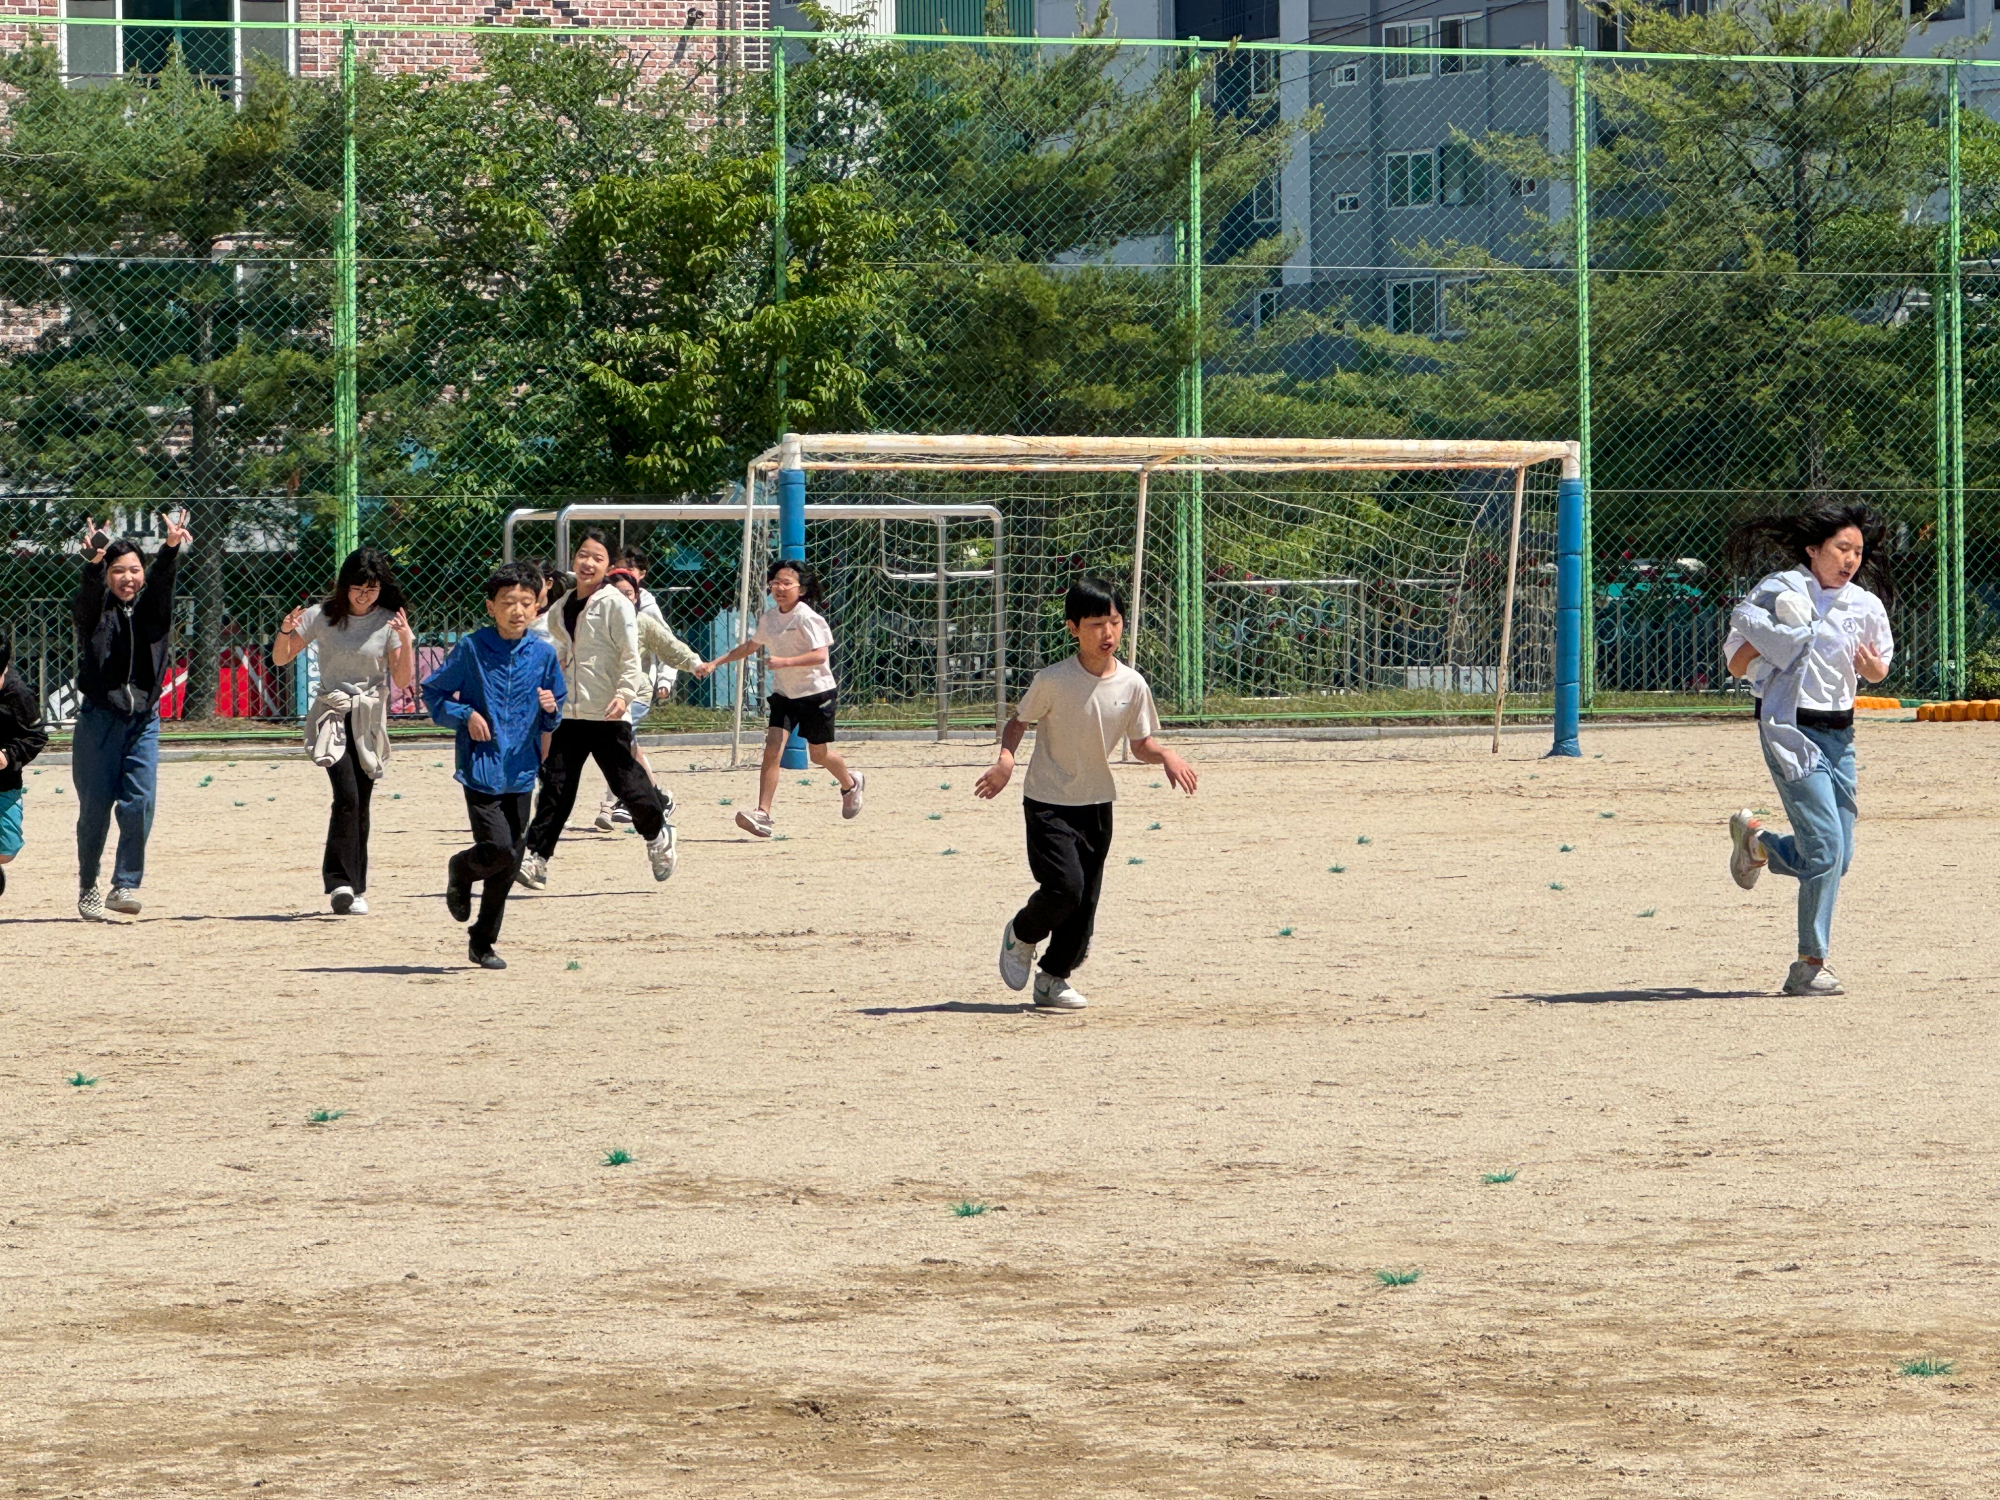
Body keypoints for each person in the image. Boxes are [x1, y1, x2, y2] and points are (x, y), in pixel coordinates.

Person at [974, 576, 1197, 1014]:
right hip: (1048, 801)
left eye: (1114, 622)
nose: (1108, 633)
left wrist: (1167, 754)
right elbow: (1019, 722)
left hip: (1097, 804)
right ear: (1073, 627)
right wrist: (1005, 760)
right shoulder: (1053, 680)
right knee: (1065, 889)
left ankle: (1053, 978)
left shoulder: (1132, 685)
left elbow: (1140, 744)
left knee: (1085, 905)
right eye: (1096, 624)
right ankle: (1021, 933)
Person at [1721, 500, 1894, 998]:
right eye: (1842, 548)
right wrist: (1780, 637)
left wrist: (1872, 667)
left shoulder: (1863, 604)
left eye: (1858, 551)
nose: (1851, 559)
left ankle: (1758, 844)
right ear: (1813, 548)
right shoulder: (1779, 591)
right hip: (1789, 730)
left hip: (1841, 737)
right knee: (1824, 849)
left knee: (1836, 858)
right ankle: (1809, 966)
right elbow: (1736, 663)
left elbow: (1879, 668)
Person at [421, 562, 566, 970]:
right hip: (481, 767)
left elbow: (555, 708)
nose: (517, 610)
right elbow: (433, 693)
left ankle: (482, 941)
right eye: (507, 602)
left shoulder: (543, 654)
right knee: (499, 848)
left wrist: (552, 711)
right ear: (491, 606)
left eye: (526, 602)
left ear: (538, 607)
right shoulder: (471, 648)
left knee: (511, 859)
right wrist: (464, 713)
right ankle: (460, 869)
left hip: (521, 770)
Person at [519, 530, 678, 887]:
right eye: (582, 555)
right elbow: (557, 654)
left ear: (608, 567)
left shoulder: (615, 603)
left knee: (630, 787)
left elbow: (630, 654)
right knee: (555, 789)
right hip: (568, 715)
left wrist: (624, 695)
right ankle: (537, 859)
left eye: (597, 558)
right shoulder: (560, 608)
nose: (587, 562)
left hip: (607, 713)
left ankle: (658, 835)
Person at [271, 548, 416, 915]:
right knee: (347, 795)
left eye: (372, 588)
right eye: (358, 588)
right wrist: (287, 629)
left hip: (368, 718)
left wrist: (407, 639)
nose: (365, 596)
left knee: (361, 802)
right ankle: (338, 882)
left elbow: (401, 679)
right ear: (344, 586)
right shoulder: (322, 616)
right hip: (332, 715)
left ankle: (356, 885)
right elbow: (281, 657)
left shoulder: (388, 622)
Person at [70, 510, 190, 922]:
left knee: (139, 801)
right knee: (95, 807)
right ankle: (89, 884)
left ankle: (125, 883)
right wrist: (92, 565)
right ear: (108, 575)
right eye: (118, 570)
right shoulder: (95, 614)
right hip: (99, 720)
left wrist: (170, 550)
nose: (127, 578)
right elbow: (85, 604)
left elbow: (160, 584)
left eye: (134, 570)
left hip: (143, 721)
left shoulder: (152, 613)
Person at [694, 558, 863, 837]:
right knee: (773, 747)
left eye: (787, 583)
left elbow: (820, 655)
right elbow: (750, 645)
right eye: (775, 583)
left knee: (818, 755)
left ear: (802, 589)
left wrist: (785, 661)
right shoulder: (769, 618)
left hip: (816, 693)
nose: (780, 588)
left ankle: (850, 783)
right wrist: (715, 662)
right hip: (784, 695)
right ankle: (763, 813)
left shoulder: (808, 617)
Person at [595, 567, 701, 830]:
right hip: (605, 695)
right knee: (626, 744)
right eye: (615, 593)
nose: (623, 598)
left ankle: (622, 801)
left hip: (636, 694)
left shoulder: (642, 622)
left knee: (618, 741)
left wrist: (695, 664)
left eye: (628, 593)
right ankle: (658, 797)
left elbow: (670, 647)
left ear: (636, 597)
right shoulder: (594, 623)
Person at [0, 637, 51, 899]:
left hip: (4, 783)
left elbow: (36, 736)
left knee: (6, 850)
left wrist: (8, 756)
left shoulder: (17, 694)